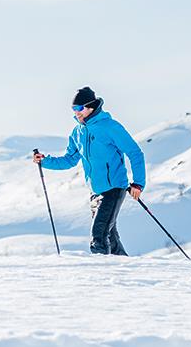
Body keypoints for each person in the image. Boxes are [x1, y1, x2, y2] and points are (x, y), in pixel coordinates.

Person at [32, 87, 147, 256]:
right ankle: (126, 273)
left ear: (90, 106)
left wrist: (138, 183)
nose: (76, 113)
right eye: (73, 109)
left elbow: (135, 153)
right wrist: (45, 161)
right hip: (95, 192)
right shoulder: (77, 132)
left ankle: (102, 276)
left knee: (98, 237)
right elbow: (69, 160)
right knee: (111, 239)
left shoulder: (110, 127)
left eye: (79, 108)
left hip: (114, 188)